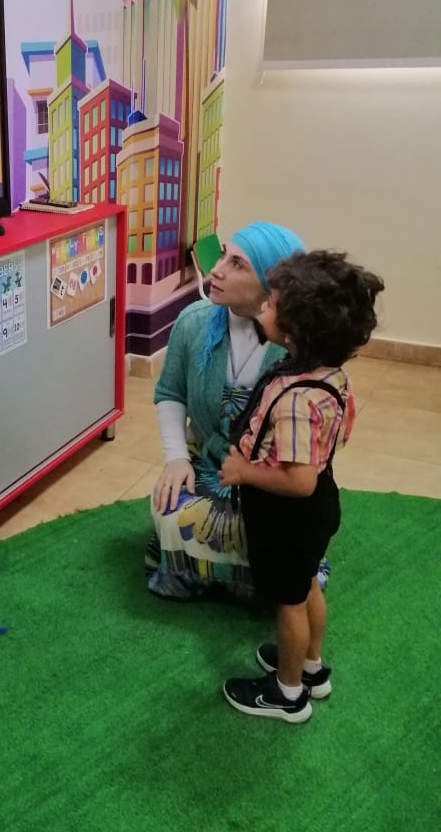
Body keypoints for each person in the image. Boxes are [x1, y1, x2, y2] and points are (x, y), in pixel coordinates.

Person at [219, 250, 384, 722]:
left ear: (293, 332)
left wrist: (243, 472)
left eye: (271, 305)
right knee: (308, 582)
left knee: (289, 602)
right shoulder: (329, 374)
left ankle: (287, 694)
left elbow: (298, 480)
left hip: (287, 515)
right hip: (318, 508)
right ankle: (311, 666)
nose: (263, 307)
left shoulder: (297, 400)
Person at [147, 221, 305, 600]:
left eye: (237, 264)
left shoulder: (298, 343)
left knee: (282, 532)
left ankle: (259, 585)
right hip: (208, 460)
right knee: (170, 511)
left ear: (271, 285)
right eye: (223, 256)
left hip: (270, 473)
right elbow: (170, 392)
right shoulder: (194, 322)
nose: (216, 271)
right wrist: (176, 458)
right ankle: (206, 578)